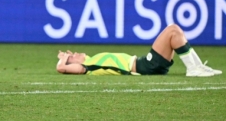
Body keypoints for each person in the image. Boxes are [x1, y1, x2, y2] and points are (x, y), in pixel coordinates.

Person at [56, 24, 221, 77]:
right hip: (143, 66)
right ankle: (193, 69)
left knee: (176, 32)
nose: (75, 53)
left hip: (145, 64)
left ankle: (197, 66)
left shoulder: (91, 61)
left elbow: (71, 61)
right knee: (172, 30)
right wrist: (63, 58)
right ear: (74, 63)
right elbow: (61, 68)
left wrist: (68, 56)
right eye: (73, 56)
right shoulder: (87, 67)